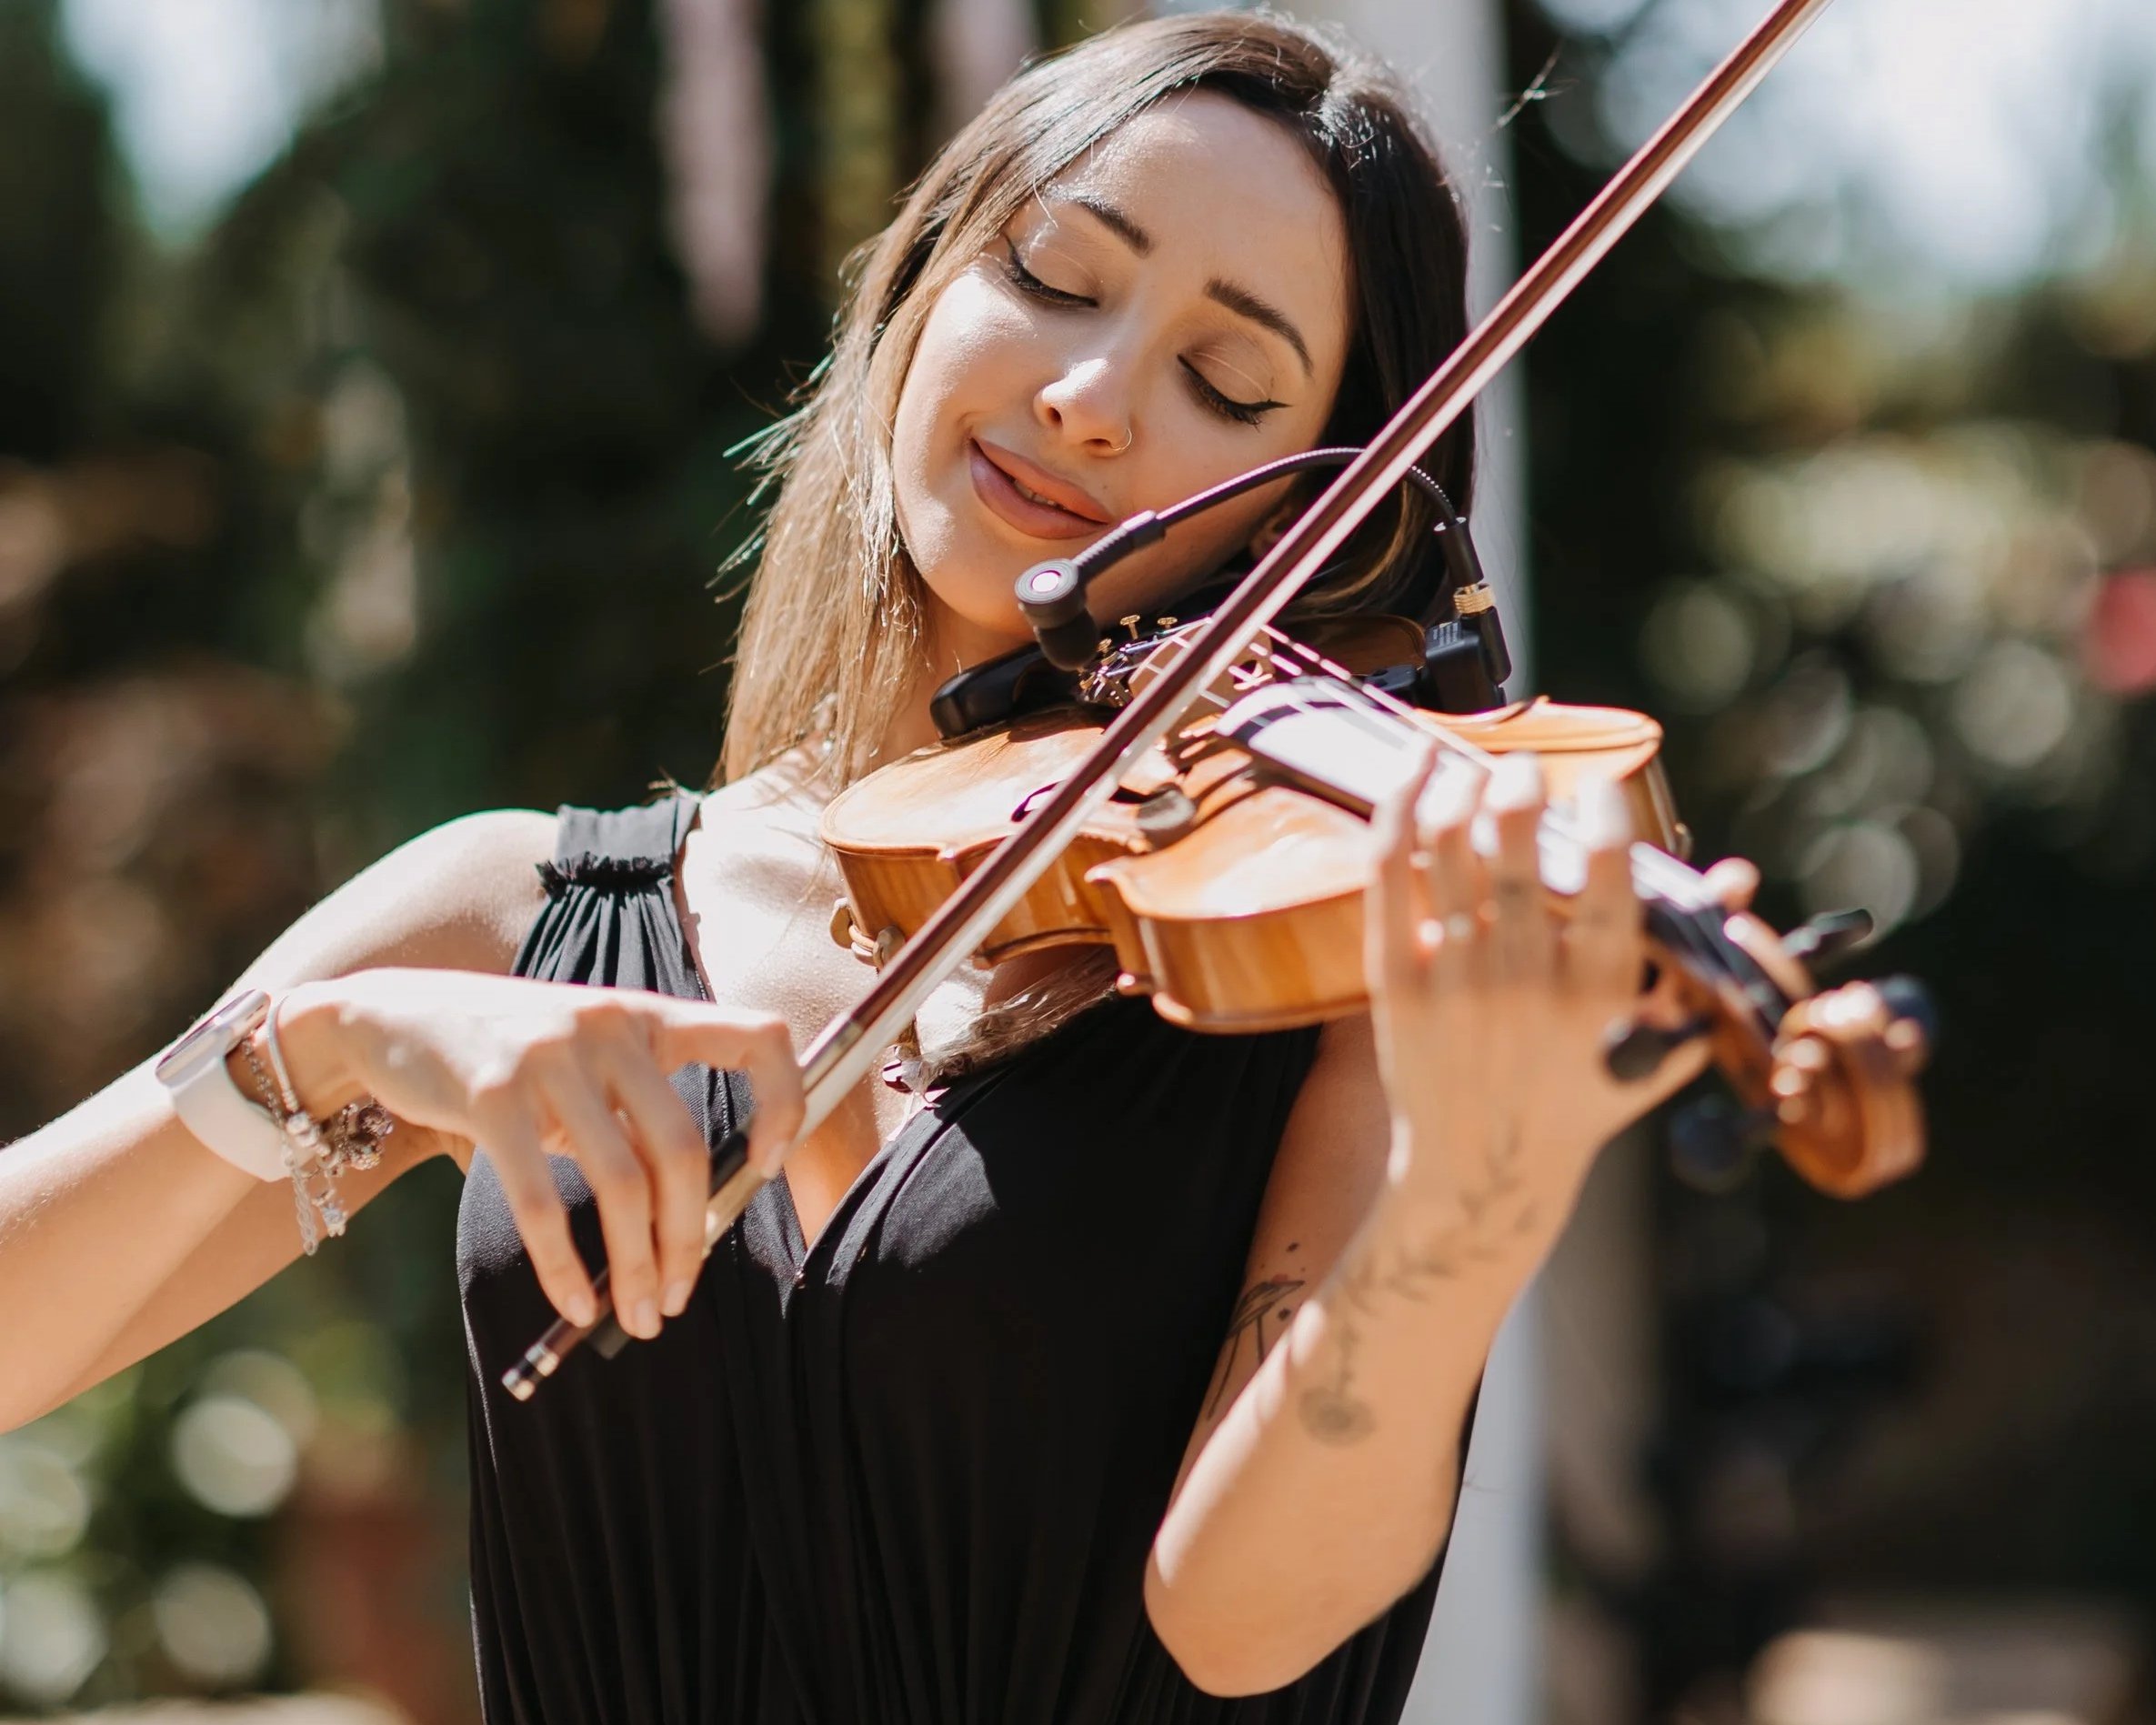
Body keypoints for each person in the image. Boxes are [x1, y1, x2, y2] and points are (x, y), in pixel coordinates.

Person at [1, 13, 1745, 1720]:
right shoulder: (520, 911)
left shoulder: (1331, 973)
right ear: (919, 290)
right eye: (1055, 275)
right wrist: (330, 1043)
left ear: (1325, 516)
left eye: (1226, 380)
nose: (1090, 399)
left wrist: (1473, 1205)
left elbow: (1242, 1620)